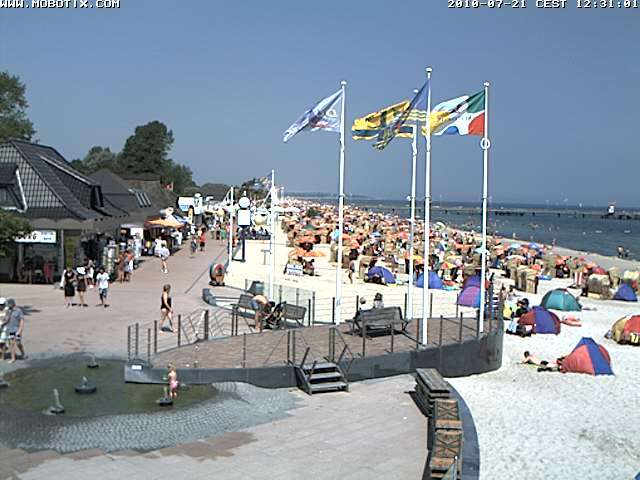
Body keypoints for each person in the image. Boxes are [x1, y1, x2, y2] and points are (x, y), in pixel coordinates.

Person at [5, 299, 25, 363]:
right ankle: (13, 358)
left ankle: (22, 352)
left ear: (12, 304)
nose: (8, 305)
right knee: (11, 344)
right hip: (10, 330)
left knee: (18, 343)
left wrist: (20, 330)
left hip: (17, 330)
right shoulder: (8, 311)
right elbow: (6, 320)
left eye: (9, 304)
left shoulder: (18, 311)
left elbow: (22, 321)